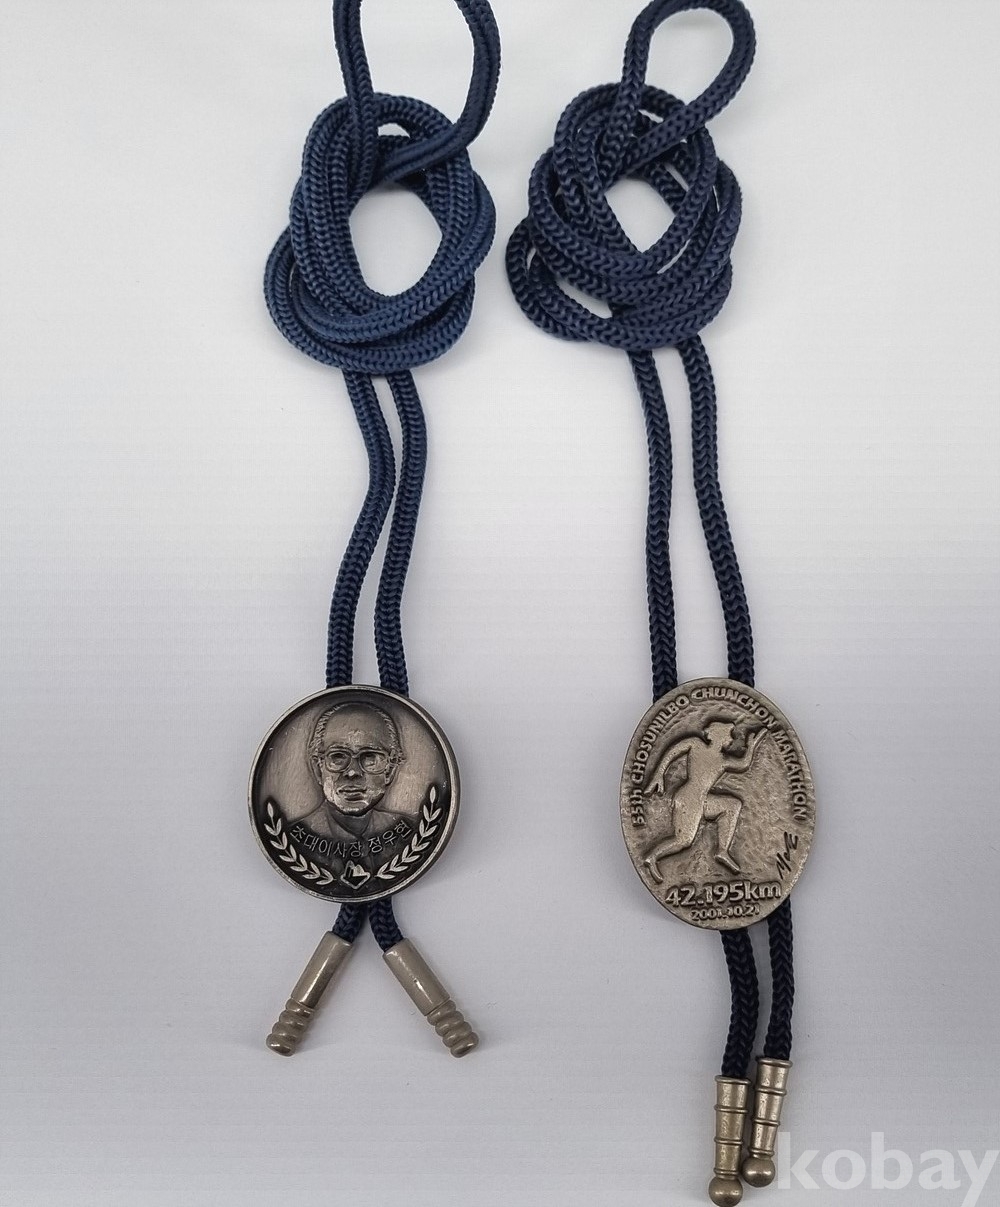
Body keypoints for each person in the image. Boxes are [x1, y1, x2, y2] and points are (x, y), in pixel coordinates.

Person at [643, 719, 765, 881]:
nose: (731, 739)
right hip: (688, 797)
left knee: (732, 805)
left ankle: (722, 851)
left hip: (704, 799)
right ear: (718, 736)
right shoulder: (696, 744)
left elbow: (743, 764)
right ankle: (652, 856)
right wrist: (658, 774)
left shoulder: (723, 760)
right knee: (683, 841)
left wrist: (752, 746)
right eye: (728, 735)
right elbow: (672, 752)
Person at [301, 701, 410, 846]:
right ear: (317, 768)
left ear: (390, 769)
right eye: (338, 756)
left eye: (369, 756)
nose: (352, 772)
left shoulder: (408, 831)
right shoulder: (296, 835)